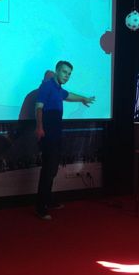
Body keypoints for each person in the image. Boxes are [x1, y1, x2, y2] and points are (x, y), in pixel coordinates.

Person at [34, 60, 95, 220]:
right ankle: (40, 207)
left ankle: (48, 200)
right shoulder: (46, 86)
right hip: (47, 135)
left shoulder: (58, 89)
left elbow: (69, 95)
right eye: (64, 72)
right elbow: (38, 108)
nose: (67, 76)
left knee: (52, 170)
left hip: (56, 135)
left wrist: (83, 98)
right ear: (56, 71)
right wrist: (39, 128)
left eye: (69, 74)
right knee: (47, 171)